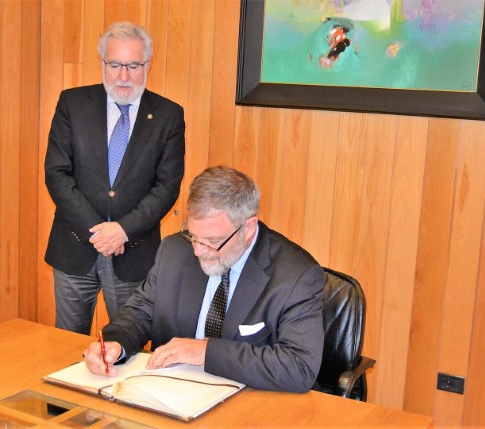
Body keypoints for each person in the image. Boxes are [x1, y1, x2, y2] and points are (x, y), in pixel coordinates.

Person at [83, 166, 325, 392]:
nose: (198, 251)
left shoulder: (296, 276)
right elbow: (139, 313)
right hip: (169, 394)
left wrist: (206, 352)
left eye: (213, 241)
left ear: (248, 228)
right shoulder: (176, 250)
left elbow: (299, 366)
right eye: (194, 235)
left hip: (245, 405)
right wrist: (116, 344)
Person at [44, 21, 185, 335]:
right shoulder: (73, 104)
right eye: (115, 65)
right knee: (63, 346)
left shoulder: (168, 115)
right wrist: (98, 232)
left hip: (133, 252)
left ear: (147, 64)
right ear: (102, 64)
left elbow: (167, 186)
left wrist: (123, 231)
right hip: (75, 248)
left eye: (133, 65)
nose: (124, 76)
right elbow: (56, 173)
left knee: (129, 344)